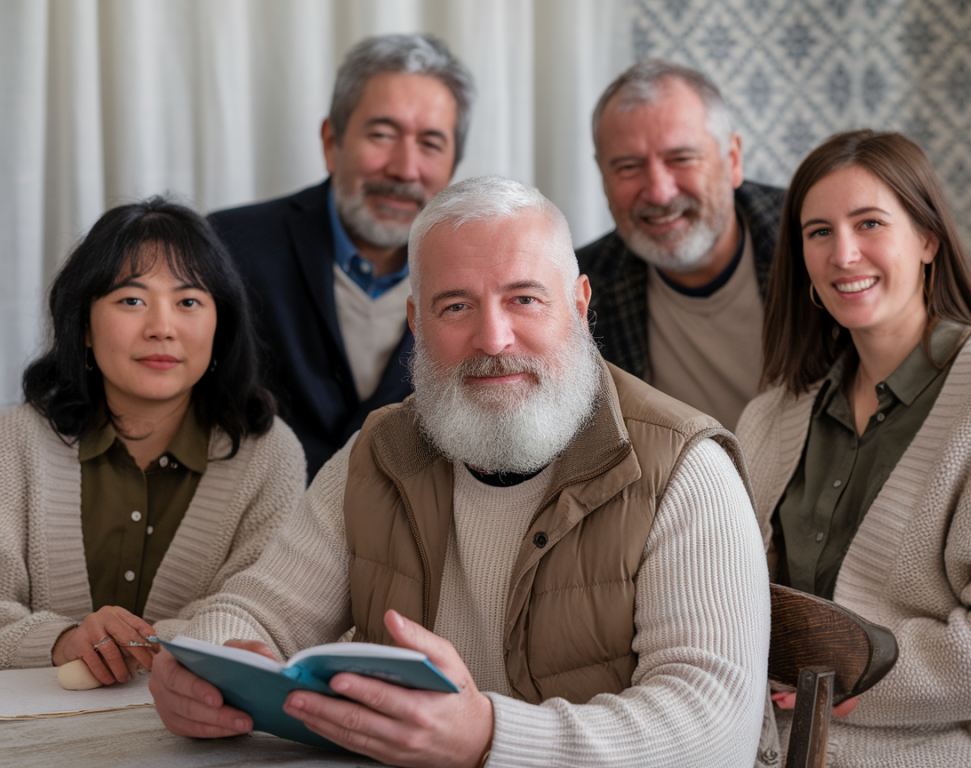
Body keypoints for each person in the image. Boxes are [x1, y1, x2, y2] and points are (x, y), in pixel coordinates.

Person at [149, 176, 771, 767]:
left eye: (524, 298)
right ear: (417, 323)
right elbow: (258, 611)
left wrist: (488, 739)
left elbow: (713, 735)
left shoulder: (686, 469)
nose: (493, 338)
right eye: (455, 307)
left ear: (579, 305)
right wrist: (208, 666)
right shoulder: (379, 454)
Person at [736, 130, 971, 765]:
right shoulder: (770, 416)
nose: (843, 254)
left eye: (869, 223)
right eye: (818, 232)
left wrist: (855, 680)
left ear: (927, 239)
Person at [0, 198, 305, 685]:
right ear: (83, 326)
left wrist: (137, 645)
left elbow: (268, 611)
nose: (162, 328)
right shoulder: (14, 443)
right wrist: (61, 640)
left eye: (188, 302)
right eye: (131, 300)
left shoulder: (268, 456)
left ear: (219, 328)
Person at [209, 34, 475, 480]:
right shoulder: (227, 248)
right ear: (332, 143)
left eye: (430, 144)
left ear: (452, 166)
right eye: (382, 134)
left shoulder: (482, 280)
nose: (405, 169)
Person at [577, 60, 785, 431]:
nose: (659, 192)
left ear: (732, 160)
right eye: (627, 167)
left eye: (682, 159)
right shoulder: (578, 292)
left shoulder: (813, 243)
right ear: (603, 177)